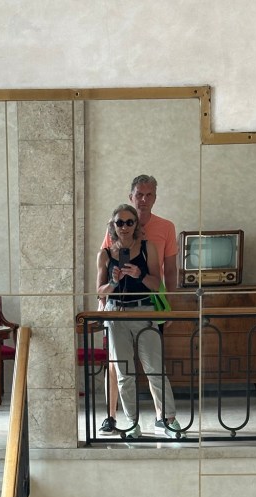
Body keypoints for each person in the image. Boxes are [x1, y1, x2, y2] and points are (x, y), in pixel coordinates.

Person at [98, 175, 179, 434]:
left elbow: (167, 273)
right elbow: (100, 286)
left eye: (129, 222)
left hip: (147, 308)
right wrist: (110, 289)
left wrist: (167, 303)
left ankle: (166, 419)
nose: (124, 226)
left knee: (154, 368)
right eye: (120, 222)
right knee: (121, 370)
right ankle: (124, 421)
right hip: (116, 312)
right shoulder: (108, 248)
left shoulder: (158, 236)